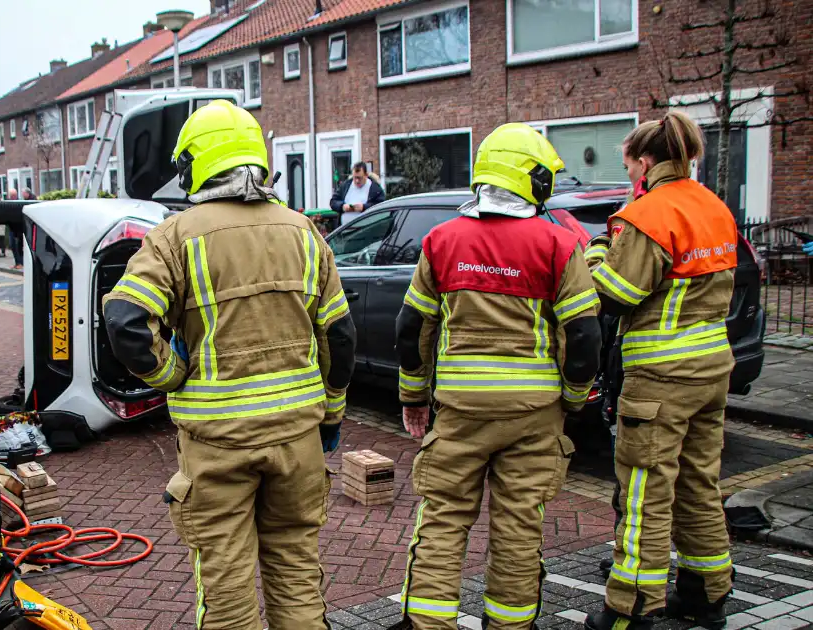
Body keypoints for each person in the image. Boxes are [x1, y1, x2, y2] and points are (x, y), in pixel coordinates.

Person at [102, 100, 356, 629]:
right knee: (296, 573)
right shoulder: (305, 232)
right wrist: (330, 418)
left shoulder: (175, 236)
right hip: (297, 443)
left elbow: (126, 319)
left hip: (218, 447)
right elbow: (339, 336)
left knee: (228, 591)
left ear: (194, 166)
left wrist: (172, 375)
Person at [391, 123, 602, 630]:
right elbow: (585, 337)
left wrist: (414, 396)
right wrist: (572, 400)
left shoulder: (442, 241)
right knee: (518, 529)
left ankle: (427, 623)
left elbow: (412, 327)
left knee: (442, 521)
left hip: (460, 410)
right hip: (534, 415)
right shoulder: (558, 246)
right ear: (534, 182)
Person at [582, 112, 738, 630]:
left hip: (661, 378)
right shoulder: (714, 208)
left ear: (646, 163)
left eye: (630, 168)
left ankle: (630, 609)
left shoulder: (649, 213)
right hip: (712, 370)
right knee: (698, 483)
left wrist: (599, 250)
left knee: (645, 492)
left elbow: (615, 295)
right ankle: (705, 592)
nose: (630, 178)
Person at [9, 188, 33, 270]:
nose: (12, 197)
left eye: (14, 195)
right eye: (11, 195)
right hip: (11, 227)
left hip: (18, 229)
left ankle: (20, 263)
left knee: (18, 246)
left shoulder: (19, 203)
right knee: (13, 246)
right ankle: (17, 263)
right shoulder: (9, 202)